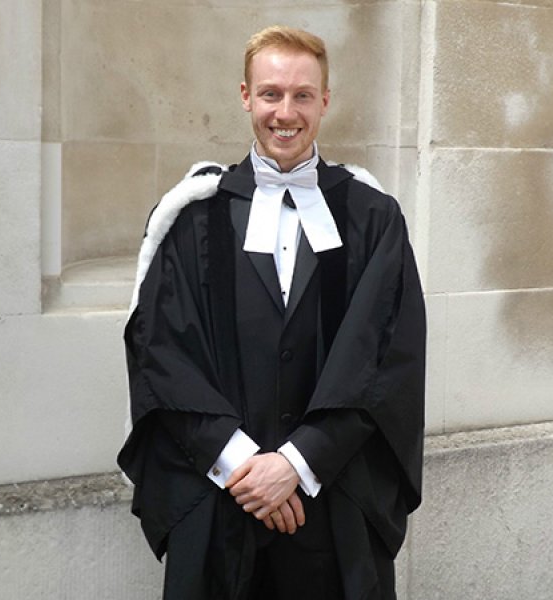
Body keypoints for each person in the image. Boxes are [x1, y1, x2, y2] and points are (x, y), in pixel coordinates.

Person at [118, 27, 426, 600]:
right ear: (245, 97)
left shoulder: (373, 218)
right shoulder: (190, 220)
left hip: (333, 507)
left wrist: (298, 463)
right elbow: (160, 354)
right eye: (271, 94)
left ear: (325, 102)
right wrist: (242, 467)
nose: (286, 112)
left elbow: (387, 360)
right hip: (219, 504)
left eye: (303, 95)